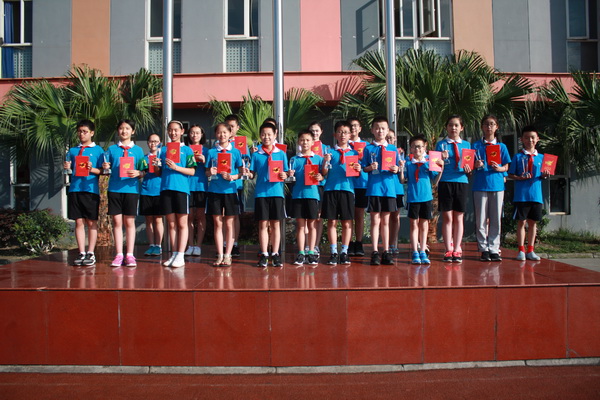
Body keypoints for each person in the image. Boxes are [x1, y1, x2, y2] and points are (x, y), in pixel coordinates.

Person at [245, 122, 289, 267]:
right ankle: (264, 253)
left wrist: (285, 174)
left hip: (276, 193)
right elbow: (252, 174)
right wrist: (247, 173)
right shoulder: (256, 154)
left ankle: (275, 253)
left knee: (275, 224)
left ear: (275, 135)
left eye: (269, 134)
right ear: (260, 136)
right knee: (263, 224)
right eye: (263, 134)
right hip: (261, 193)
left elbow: (286, 172)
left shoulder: (281, 154)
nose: (266, 137)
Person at [103, 119, 146, 267]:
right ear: (118, 131)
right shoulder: (111, 149)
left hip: (131, 190)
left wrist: (139, 173)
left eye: (127, 128)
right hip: (114, 189)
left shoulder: (138, 150)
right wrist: (105, 166)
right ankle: (119, 254)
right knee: (117, 222)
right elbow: (106, 169)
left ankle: (130, 254)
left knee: (129, 222)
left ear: (132, 131)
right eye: (121, 128)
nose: (124, 131)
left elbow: (144, 171)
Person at [155, 120, 197, 268]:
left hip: (181, 189)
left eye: (176, 130)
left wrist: (176, 167)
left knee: (182, 223)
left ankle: (180, 255)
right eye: (170, 130)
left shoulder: (187, 150)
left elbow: (192, 171)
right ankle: (174, 254)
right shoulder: (163, 150)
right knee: (171, 224)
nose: (173, 133)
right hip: (166, 188)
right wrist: (156, 166)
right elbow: (159, 173)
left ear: (182, 131)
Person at [64, 119, 105, 266]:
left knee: (91, 221)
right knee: (79, 221)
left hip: (90, 190)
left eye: (85, 132)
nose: (82, 134)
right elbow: (69, 169)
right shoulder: (73, 151)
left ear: (92, 133)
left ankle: (91, 252)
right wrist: (67, 167)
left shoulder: (98, 151)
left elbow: (103, 171)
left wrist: (91, 169)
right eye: (80, 131)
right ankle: (81, 252)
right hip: (75, 189)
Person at [321, 121, 361, 266]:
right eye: (340, 132)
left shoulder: (354, 153)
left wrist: (358, 169)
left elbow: (356, 175)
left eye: (345, 132)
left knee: (347, 222)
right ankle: (333, 251)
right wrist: (325, 162)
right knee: (332, 221)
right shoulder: (329, 152)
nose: (342, 135)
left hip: (347, 190)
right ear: (335, 134)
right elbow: (324, 173)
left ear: (350, 135)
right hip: (331, 189)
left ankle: (344, 251)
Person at [472, 115, 511, 261]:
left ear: (496, 127)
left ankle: (494, 248)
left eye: (492, 124)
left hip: (497, 185)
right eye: (486, 124)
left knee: (495, 218)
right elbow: (468, 164)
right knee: (481, 218)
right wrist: (475, 165)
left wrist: (500, 169)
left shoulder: (502, 147)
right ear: (482, 127)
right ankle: (483, 248)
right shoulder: (476, 146)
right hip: (480, 184)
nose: (489, 127)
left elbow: (506, 166)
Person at [362, 116, 400, 265]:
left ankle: (386, 250)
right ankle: (375, 251)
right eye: (377, 128)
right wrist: (370, 168)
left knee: (386, 220)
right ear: (372, 130)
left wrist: (396, 169)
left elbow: (397, 167)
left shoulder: (393, 149)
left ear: (387, 130)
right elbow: (364, 168)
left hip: (389, 189)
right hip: (374, 188)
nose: (380, 131)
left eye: (383, 128)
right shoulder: (368, 148)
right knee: (375, 220)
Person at [508, 125, 549, 261]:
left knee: (533, 223)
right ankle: (521, 250)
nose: (530, 140)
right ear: (522, 139)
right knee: (521, 222)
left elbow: (544, 175)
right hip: (521, 195)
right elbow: (511, 174)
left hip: (536, 195)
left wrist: (545, 175)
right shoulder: (518, 157)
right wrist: (519, 177)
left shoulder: (542, 158)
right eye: (526, 138)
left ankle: (531, 250)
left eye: (532, 137)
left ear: (537, 139)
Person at [400, 135, 443, 264]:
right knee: (414, 224)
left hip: (426, 197)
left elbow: (435, 181)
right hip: (413, 197)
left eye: (420, 146)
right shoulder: (408, 162)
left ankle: (423, 250)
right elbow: (402, 180)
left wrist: (441, 169)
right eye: (414, 147)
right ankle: (415, 251)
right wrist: (401, 169)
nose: (417, 149)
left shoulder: (429, 162)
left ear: (424, 148)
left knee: (424, 225)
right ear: (411, 148)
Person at [435, 115, 472, 263]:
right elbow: (435, 166)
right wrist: (440, 159)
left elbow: (470, 166)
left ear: (461, 128)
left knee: (459, 217)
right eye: (450, 125)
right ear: (446, 127)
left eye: (456, 125)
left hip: (461, 181)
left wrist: (469, 169)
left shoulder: (466, 145)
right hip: (445, 182)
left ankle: (457, 248)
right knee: (447, 217)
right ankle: (448, 249)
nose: (453, 128)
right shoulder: (441, 145)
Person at [206, 123, 243, 266]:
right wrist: (210, 172)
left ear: (230, 134)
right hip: (215, 191)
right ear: (216, 134)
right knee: (217, 223)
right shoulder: (211, 152)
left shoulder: (236, 152)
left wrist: (232, 177)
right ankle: (220, 254)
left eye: (225, 132)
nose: (222, 135)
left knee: (229, 223)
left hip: (230, 191)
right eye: (219, 132)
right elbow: (206, 172)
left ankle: (228, 254)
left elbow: (241, 172)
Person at [289, 130, 324, 266]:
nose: (305, 142)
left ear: (313, 142)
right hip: (298, 195)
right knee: (300, 225)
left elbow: (324, 175)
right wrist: (289, 174)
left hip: (313, 195)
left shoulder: (318, 159)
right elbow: (290, 177)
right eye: (302, 140)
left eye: (308, 140)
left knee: (312, 224)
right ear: (298, 141)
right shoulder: (294, 159)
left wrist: (321, 177)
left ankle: (311, 252)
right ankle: (301, 252)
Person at [184, 124, 208, 257]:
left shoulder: (207, 151)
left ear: (202, 135)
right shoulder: (185, 150)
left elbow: (211, 169)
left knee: (200, 216)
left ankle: (198, 246)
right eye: (192, 133)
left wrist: (204, 161)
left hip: (201, 186)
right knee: (189, 217)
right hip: (187, 186)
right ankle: (190, 245)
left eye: (197, 133)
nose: (194, 135)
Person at [140, 133, 164, 257]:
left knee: (158, 219)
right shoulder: (144, 158)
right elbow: (141, 172)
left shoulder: (162, 157)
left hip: (159, 190)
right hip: (146, 190)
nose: (153, 143)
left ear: (160, 143)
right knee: (148, 219)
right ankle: (151, 245)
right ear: (148, 143)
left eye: (156, 141)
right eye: (151, 141)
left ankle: (158, 245)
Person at [348, 117, 369, 257]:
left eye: (356, 125)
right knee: (349, 214)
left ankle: (359, 242)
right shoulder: (344, 145)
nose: (353, 128)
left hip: (362, 183)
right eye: (351, 126)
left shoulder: (366, 146)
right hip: (348, 184)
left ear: (360, 128)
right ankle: (349, 243)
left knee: (359, 214)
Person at [224, 114, 244, 257]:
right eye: (227, 126)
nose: (230, 129)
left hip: (236, 185)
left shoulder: (242, 144)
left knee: (235, 216)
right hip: (221, 186)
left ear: (237, 128)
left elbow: (247, 164)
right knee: (223, 216)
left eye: (232, 126)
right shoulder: (218, 144)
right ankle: (224, 244)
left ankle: (234, 243)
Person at [307, 121, 329, 254]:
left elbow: (329, 169)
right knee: (307, 217)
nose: (314, 133)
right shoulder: (303, 146)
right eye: (312, 131)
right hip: (307, 186)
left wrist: (323, 177)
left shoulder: (326, 149)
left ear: (321, 132)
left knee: (318, 217)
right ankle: (306, 244)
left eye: (317, 131)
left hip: (320, 186)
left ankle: (315, 244)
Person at [386, 130, 405, 255]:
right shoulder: (379, 151)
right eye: (387, 137)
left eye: (391, 138)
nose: (389, 140)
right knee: (384, 217)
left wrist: (400, 167)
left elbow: (404, 173)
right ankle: (385, 244)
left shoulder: (399, 154)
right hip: (385, 189)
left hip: (397, 188)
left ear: (395, 139)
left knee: (395, 217)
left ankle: (393, 243)